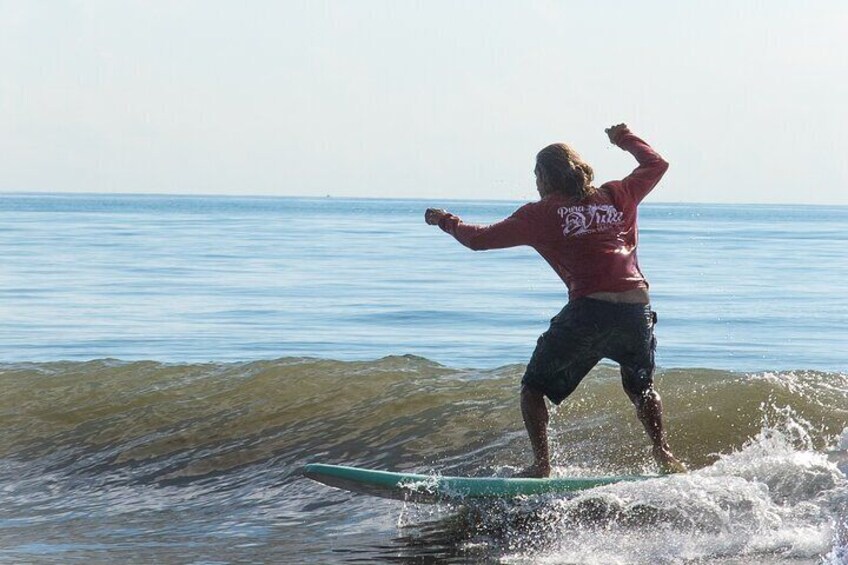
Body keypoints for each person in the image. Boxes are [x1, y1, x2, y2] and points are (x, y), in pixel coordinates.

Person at [424, 124, 686, 477]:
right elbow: (656, 164)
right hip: (636, 309)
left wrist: (445, 220)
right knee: (641, 388)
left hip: (590, 310)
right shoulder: (616, 195)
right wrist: (624, 138)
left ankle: (542, 465)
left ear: (545, 177)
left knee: (532, 389)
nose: (535, 183)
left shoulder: (541, 213)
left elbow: (478, 240)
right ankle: (663, 455)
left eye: (536, 175)